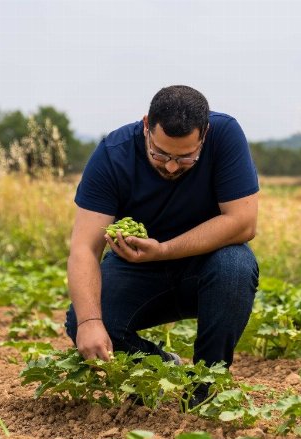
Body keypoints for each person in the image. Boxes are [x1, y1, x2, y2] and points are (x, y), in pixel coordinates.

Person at [64, 85, 259, 397]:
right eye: (160, 153)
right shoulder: (113, 155)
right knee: (84, 323)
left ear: (204, 135)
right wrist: (89, 321)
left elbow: (243, 222)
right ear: (146, 125)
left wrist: (165, 250)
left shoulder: (225, 135)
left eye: (185, 157)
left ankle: (205, 387)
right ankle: (164, 367)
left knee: (236, 265)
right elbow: (84, 248)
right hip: (137, 268)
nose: (170, 165)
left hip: (206, 264)